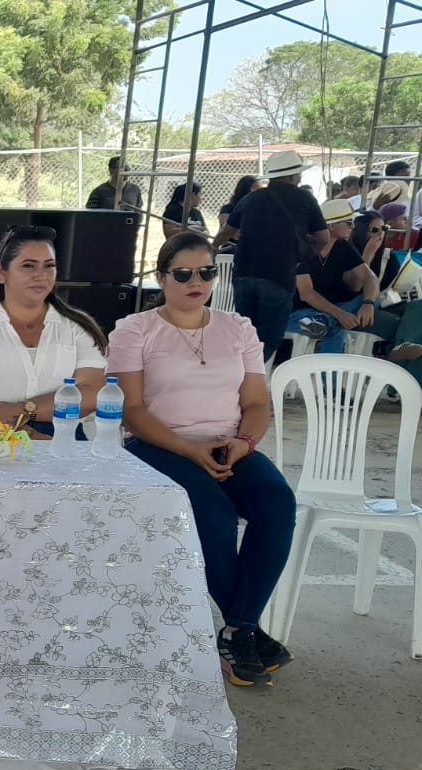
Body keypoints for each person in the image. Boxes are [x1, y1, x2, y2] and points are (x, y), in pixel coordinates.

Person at [108, 231, 297, 688]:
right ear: (161, 278)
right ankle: (246, 633)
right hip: (158, 445)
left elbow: (256, 403)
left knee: (277, 502)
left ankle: (236, 631)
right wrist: (187, 448)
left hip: (229, 443)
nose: (196, 282)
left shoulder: (239, 328)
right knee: (214, 514)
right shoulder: (135, 329)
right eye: (183, 274)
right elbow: (132, 411)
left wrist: (244, 443)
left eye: (207, 272)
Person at [0, 225, 108, 440]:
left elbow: (91, 392)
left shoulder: (77, 326)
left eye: (49, 266)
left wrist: (24, 409)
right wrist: (26, 435)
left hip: (64, 434)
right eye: (28, 266)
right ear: (1, 273)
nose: (41, 275)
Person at [214, 149, 331, 354]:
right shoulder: (305, 198)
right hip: (280, 274)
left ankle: (239, 368)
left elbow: (226, 232)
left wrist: (213, 248)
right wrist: (303, 258)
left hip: (244, 273)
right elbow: (324, 238)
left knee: (245, 333)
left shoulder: (251, 198)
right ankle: (253, 370)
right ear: (293, 176)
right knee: (269, 338)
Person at [285, 199, 419, 360]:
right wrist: (340, 314)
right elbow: (307, 293)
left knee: (370, 299)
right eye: (348, 223)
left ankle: (325, 322)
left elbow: (370, 278)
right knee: (336, 326)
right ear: (331, 226)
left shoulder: (342, 246)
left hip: (331, 310)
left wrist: (368, 303)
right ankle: (332, 369)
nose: (353, 227)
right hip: (297, 310)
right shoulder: (303, 247)